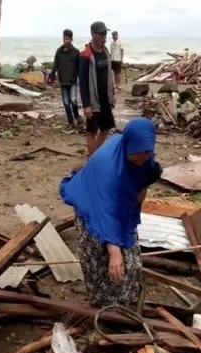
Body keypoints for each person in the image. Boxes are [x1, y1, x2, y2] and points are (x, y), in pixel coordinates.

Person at [60, 118, 162, 307]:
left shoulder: (144, 153)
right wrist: (114, 252)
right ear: (127, 147)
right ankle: (103, 305)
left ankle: (126, 300)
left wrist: (140, 192)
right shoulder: (109, 170)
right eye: (137, 155)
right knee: (101, 258)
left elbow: (147, 175)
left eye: (146, 153)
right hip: (93, 205)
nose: (141, 158)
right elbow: (106, 213)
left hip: (118, 203)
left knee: (129, 256)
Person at [79, 21, 116, 156]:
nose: (104, 36)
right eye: (102, 34)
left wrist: (112, 94)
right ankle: (91, 161)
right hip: (93, 101)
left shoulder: (105, 52)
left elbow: (109, 75)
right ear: (94, 35)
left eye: (105, 33)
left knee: (106, 128)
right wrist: (86, 105)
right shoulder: (86, 55)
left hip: (105, 98)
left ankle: (95, 155)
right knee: (92, 132)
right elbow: (82, 82)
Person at [49, 29, 81, 129]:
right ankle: (70, 122)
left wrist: (80, 77)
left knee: (73, 100)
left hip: (72, 81)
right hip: (63, 81)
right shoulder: (59, 51)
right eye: (64, 38)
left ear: (71, 39)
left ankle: (77, 116)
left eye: (67, 38)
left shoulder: (76, 52)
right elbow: (55, 65)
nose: (65, 40)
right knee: (66, 103)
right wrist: (52, 75)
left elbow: (79, 67)